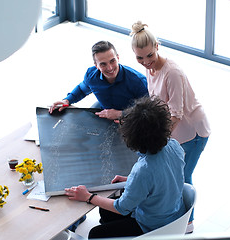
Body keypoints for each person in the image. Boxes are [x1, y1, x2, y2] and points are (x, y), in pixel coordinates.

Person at [65, 96, 186, 238]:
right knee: (105, 211)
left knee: (95, 234)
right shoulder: (174, 145)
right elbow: (164, 176)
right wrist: (130, 180)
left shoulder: (143, 169)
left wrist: (88, 196)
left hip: (153, 226)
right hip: (174, 213)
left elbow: (122, 208)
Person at [130, 21, 211, 232]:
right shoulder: (151, 69)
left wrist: (157, 139)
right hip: (173, 131)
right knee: (172, 173)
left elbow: (176, 113)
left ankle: (187, 223)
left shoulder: (172, 73)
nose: (145, 62)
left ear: (157, 46)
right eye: (140, 57)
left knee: (182, 175)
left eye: (149, 55)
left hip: (191, 131)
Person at [49, 40, 148, 120]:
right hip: (104, 111)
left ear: (118, 58)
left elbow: (147, 111)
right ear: (96, 65)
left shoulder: (138, 81)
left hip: (132, 118)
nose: (109, 68)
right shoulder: (91, 75)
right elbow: (82, 89)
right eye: (103, 64)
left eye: (112, 61)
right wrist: (67, 100)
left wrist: (121, 114)